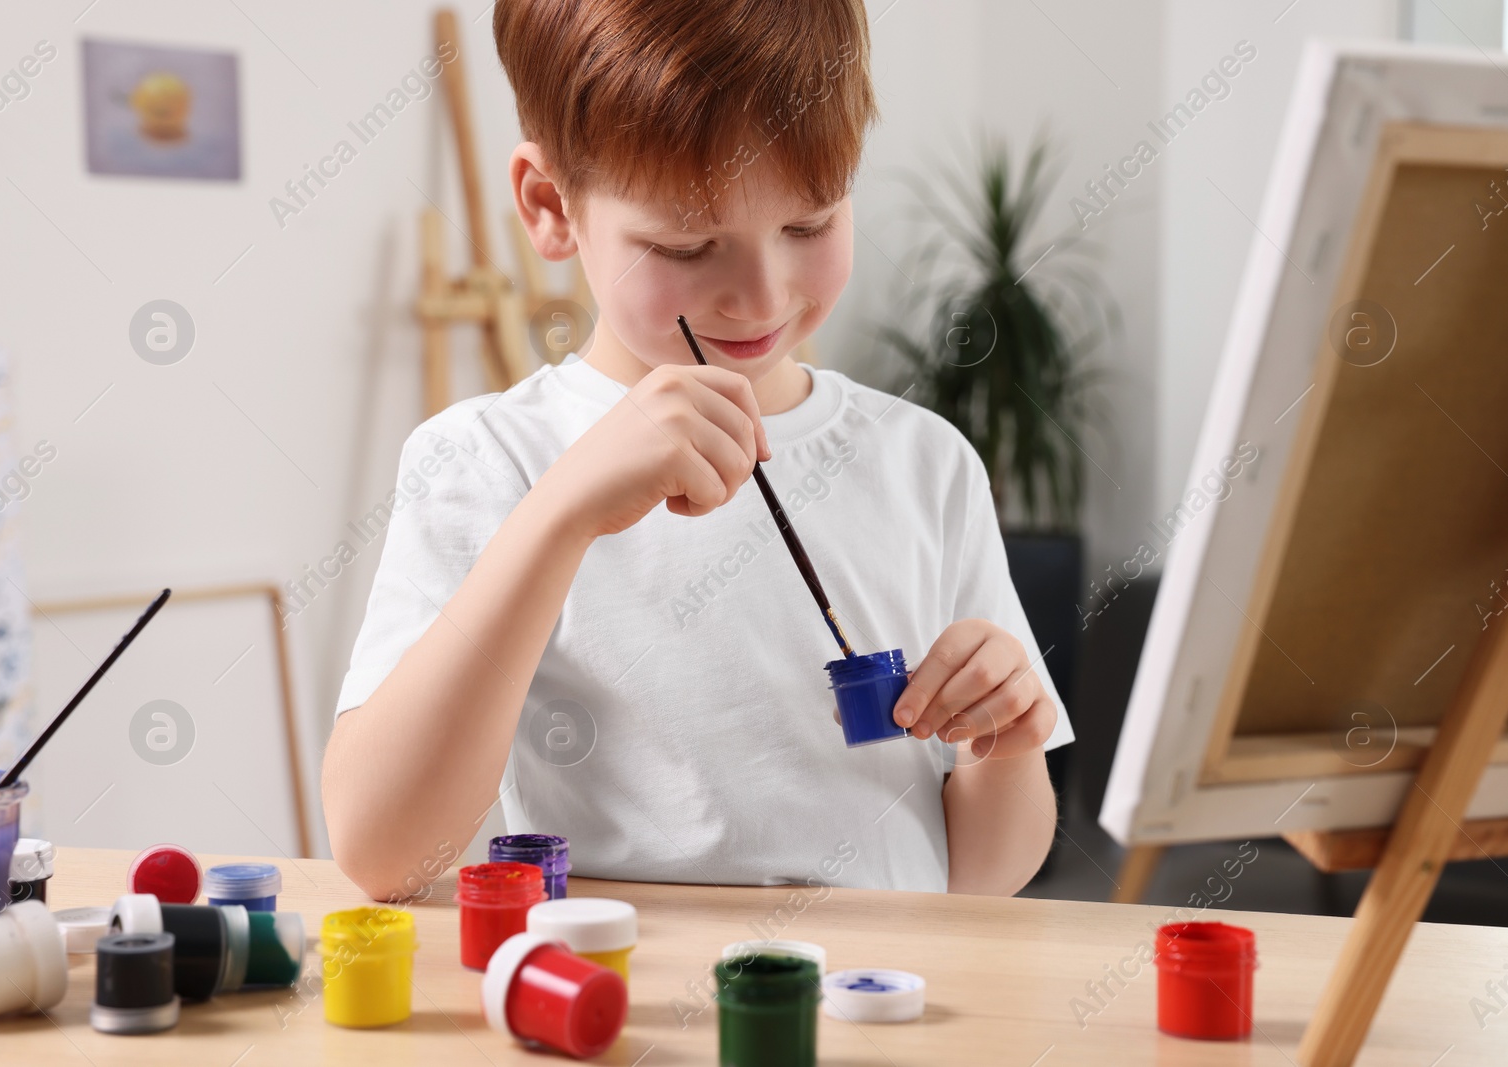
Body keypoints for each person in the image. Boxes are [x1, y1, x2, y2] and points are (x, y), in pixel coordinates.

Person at [323, 0, 1074, 900]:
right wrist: (563, 513)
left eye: (809, 225)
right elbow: (381, 850)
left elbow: (981, 877)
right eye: (686, 244)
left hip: (876, 1011)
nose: (760, 297)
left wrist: (1009, 738)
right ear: (550, 205)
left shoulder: (928, 463)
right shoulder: (486, 460)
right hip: (623, 1011)